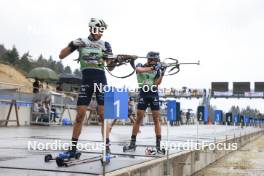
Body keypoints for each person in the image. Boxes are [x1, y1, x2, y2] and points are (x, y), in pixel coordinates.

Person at [59, 18, 116, 158]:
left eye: (103, 31)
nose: (101, 33)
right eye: (99, 30)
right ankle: (72, 149)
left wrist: (115, 60)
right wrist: (72, 44)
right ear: (92, 29)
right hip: (86, 80)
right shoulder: (82, 41)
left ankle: (106, 148)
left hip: (101, 80)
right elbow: (61, 55)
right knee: (79, 116)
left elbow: (111, 67)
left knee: (103, 115)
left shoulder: (105, 44)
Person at [124, 51, 166, 153]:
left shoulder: (157, 69)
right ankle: (132, 144)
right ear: (150, 60)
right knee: (138, 119)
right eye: (155, 60)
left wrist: (162, 73)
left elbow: (156, 83)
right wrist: (153, 68)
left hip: (153, 93)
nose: (157, 62)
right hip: (143, 93)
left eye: (157, 61)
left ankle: (158, 145)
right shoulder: (140, 65)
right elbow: (138, 70)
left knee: (156, 119)